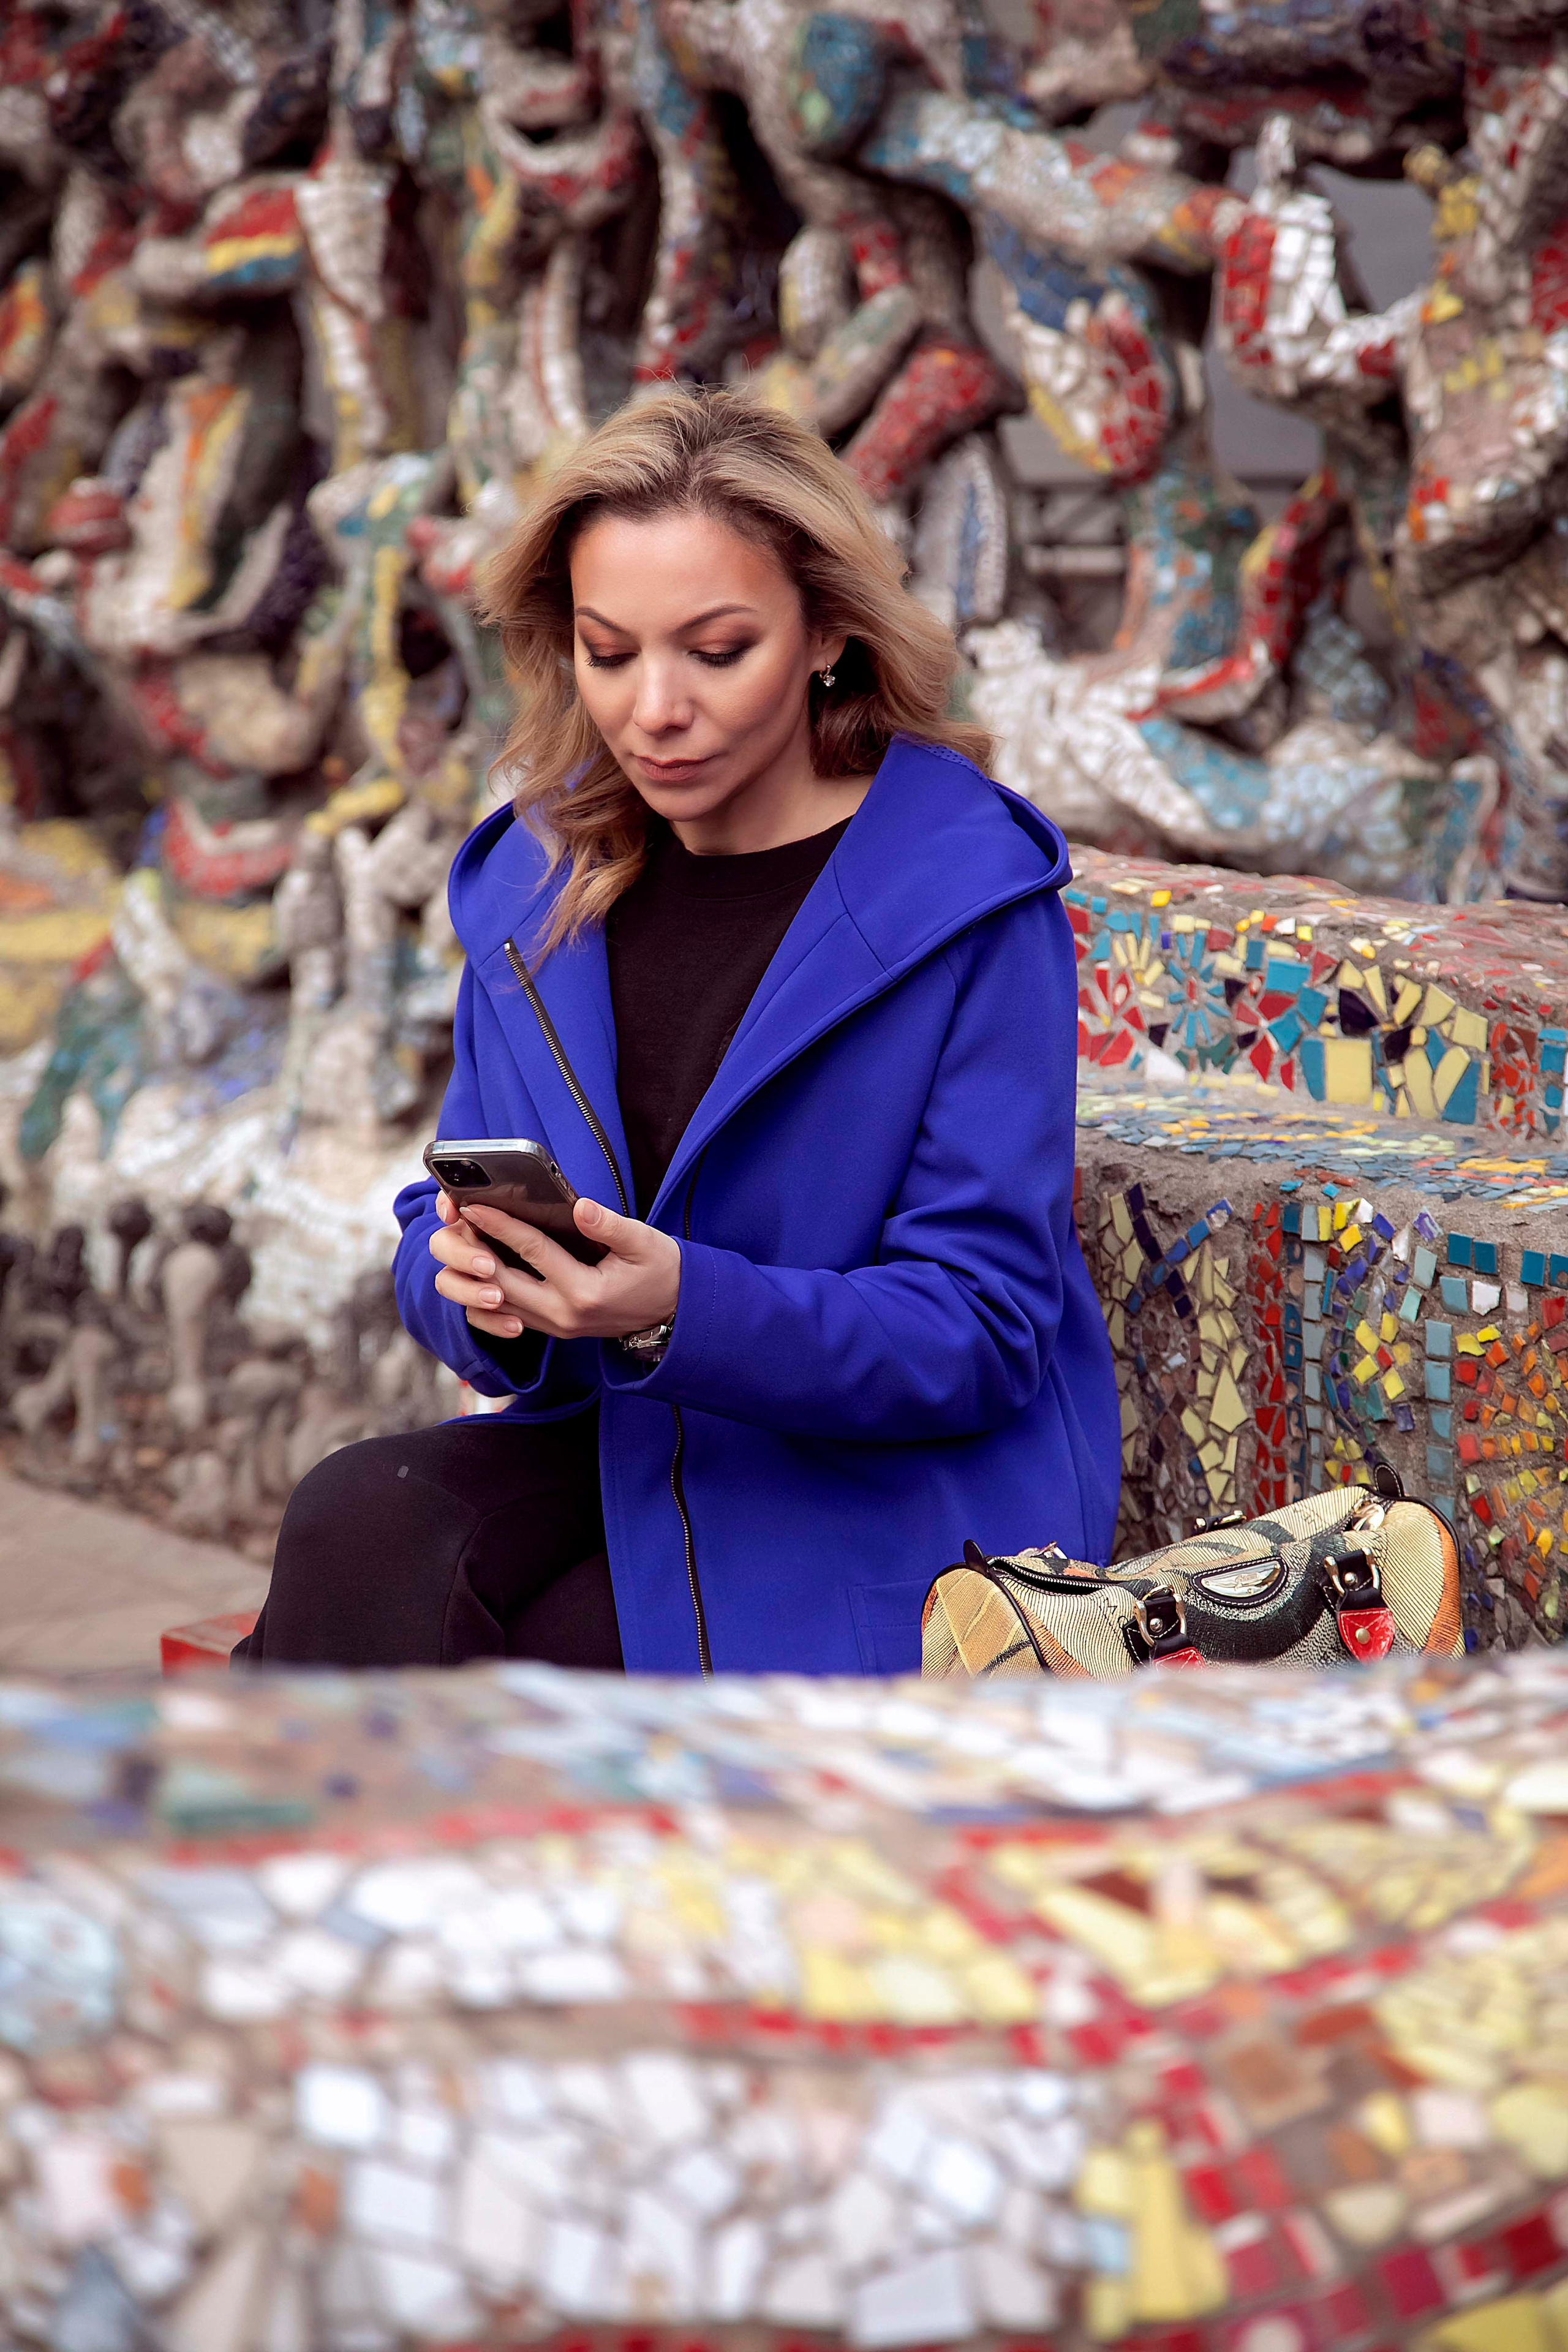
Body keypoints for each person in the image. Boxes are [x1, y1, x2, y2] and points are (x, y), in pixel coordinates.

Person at [235, 388, 1119, 1676]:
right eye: (609, 651)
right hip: (625, 1453)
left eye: (714, 651)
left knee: (531, 1674)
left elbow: (979, 1334)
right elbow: (441, 1216)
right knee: (362, 1515)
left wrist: (678, 1312)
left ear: (825, 634)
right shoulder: (533, 891)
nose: (653, 709)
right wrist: (481, 1296)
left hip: (875, 1500)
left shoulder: (968, 901)